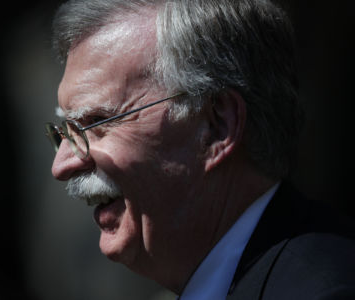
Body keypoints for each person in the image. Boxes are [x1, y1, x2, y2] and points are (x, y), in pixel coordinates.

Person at [45, 0, 355, 299]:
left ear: (217, 125)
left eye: (96, 122)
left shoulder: (325, 291)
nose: (61, 165)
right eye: (65, 132)